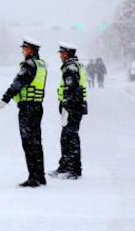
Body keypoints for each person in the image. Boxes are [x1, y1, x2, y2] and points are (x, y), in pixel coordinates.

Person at [0, 37, 48, 187]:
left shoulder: (28, 65)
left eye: (24, 48)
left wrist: (5, 99)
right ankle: (39, 176)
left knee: (29, 143)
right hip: (36, 106)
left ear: (30, 49)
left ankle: (34, 178)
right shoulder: (41, 64)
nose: (22, 51)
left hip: (27, 108)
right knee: (36, 143)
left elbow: (18, 83)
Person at [49, 43, 88, 180]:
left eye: (61, 53)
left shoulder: (71, 68)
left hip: (72, 107)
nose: (60, 55)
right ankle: (66, 167)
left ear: (66, 54)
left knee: (70, 138)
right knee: (68, 137)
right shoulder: (75, 66)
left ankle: (73, 170)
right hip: (75, 106)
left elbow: (72, 90)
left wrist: (66, 107)